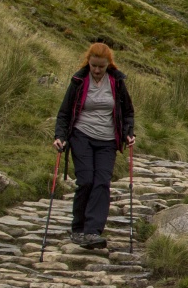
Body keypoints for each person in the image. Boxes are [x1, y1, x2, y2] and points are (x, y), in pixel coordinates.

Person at [52, 41, 136, 248]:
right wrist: (60, 136)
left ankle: (92, 231)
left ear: (109, 64)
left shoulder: (116, 82)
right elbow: (64, 113)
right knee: (87, 180)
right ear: (88, 62)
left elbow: (128, 113)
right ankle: (78, 228)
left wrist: (128, 133)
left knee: (102, 182)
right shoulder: (79, 80)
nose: (97, 70)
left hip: (108, 140)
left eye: (101, 66)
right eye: (94, 66)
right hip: (82, 136)